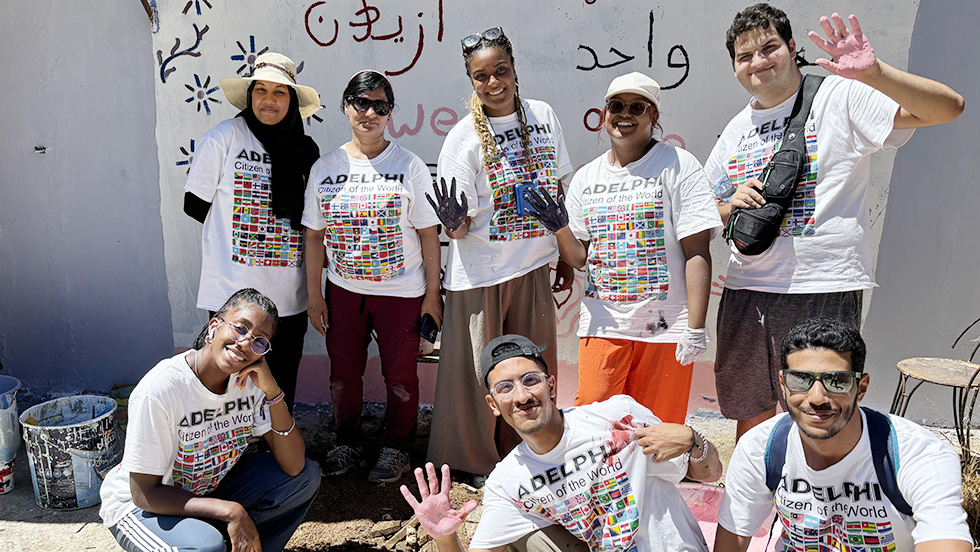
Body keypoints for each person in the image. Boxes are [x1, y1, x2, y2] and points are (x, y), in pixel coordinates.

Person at [706, 5, 964, 439]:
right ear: (734, 67)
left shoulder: (839, 97)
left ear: (792, 48)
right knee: (748, 410)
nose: (759, 62)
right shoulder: (736, 128)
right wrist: (729, 205)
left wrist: (875, 72)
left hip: (820, 286)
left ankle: (815, 503)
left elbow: (947, 108)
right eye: (745, 56)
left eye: (770, 48)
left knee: (819, 411)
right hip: (745, 289)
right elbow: (703, 208)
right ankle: (758, 500)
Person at [402, 334, 723, 552]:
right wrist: (445, 537)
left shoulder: (618, 417)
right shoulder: (508, 479)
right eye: (505, 388)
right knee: (524, 541)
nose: (522, 396)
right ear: (492, 405)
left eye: (530, 380)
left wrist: (694, 441)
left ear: (551, 385)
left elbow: (710, 473)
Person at [524, 72, 721, 424]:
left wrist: (694, 326)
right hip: (603, 325)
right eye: (616, 105)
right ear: (604, 114)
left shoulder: (678, 165)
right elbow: (579, 258)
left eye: (637, 107)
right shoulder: (587, 177)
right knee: (598, 427)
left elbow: (697, 252)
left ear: (653, 116)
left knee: (657, 431)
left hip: (664, 328)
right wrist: (559, 229)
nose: (624, 114)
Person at [425, 27, 575, 484]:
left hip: (532, 266)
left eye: (500, 72)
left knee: (530, 371)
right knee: (476, 377)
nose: (493, 83)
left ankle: (529, 454)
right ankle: (471, 462)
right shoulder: (462, 137)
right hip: (480, 274)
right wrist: (453, 223)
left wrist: (564, 256)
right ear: (471, 80)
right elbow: (461, 224)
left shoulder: (544, 116)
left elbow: (559, 188)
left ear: (514, 69)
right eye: (480, 76)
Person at [715, 318, 971, 551]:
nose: (816, 398)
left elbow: (946, 540)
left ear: (861, 388)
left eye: (836, 381)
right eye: (800, 380)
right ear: (783, 384)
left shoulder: (917, 454)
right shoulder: (761, 448)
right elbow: (731, 543)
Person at [99, 288, 320, 552]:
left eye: (260, 341)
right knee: (205, 547)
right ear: (214, 327)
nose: (246, 343)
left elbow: (295, 466)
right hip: (142, 508)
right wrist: (230, 511)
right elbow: (144, 492)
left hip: (205, 491)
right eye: (240, 328)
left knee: (305, 477)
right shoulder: (162, 388)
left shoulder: (250, 383)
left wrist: (273, 393)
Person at [302, 70, 442, 483]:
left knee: (400, 376)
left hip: (402, 294)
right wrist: (315, 295)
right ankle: (346, 441)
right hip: (344, 292)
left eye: (380, 106)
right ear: (346, 106)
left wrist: (433, 295)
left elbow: (428, 235)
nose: (369, 113)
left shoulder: (408, 165)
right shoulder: (325, 168)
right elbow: (314, 236)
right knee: (343, 374)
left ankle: (398, 447)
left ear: (389, 114)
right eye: (361, 103)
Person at [183, 52, 322, 412]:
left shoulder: (307, 152)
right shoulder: (225, 137)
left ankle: (276, 457)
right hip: (232, 297)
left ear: (292, 101)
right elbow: (194, 206)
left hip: (289, 300)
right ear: (249, 96)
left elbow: (312, 223)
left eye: (280, 92)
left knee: (279, 390)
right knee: (224, 393)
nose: (268, 99)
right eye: (260, 90)